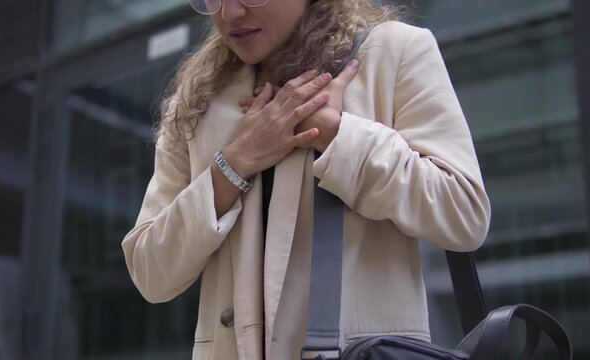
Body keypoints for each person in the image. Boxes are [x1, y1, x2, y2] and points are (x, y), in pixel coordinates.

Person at [121, 0, 491, 359]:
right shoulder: (196, 99)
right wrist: (234, 163)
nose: (229, 12)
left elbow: (463, 212)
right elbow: (151, 272)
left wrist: (334, 133)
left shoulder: (393, 51)